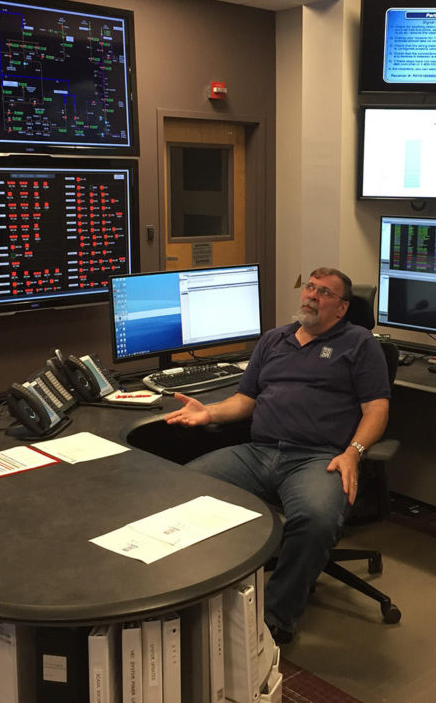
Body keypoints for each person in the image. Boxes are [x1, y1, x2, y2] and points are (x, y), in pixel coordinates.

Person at [165, 266, 391, 643]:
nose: (312, 295)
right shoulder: (273, 340)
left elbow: (377, 410)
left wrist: (354, 452)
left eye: (324, 293)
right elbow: (244, 400)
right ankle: (192, 596)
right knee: (182, 487)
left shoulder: (359, 344)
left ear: (342, 308)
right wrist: (208, 412)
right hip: (259, 452)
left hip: (319, 458)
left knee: (316, 521)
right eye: (310, 287)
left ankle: (273, 621)